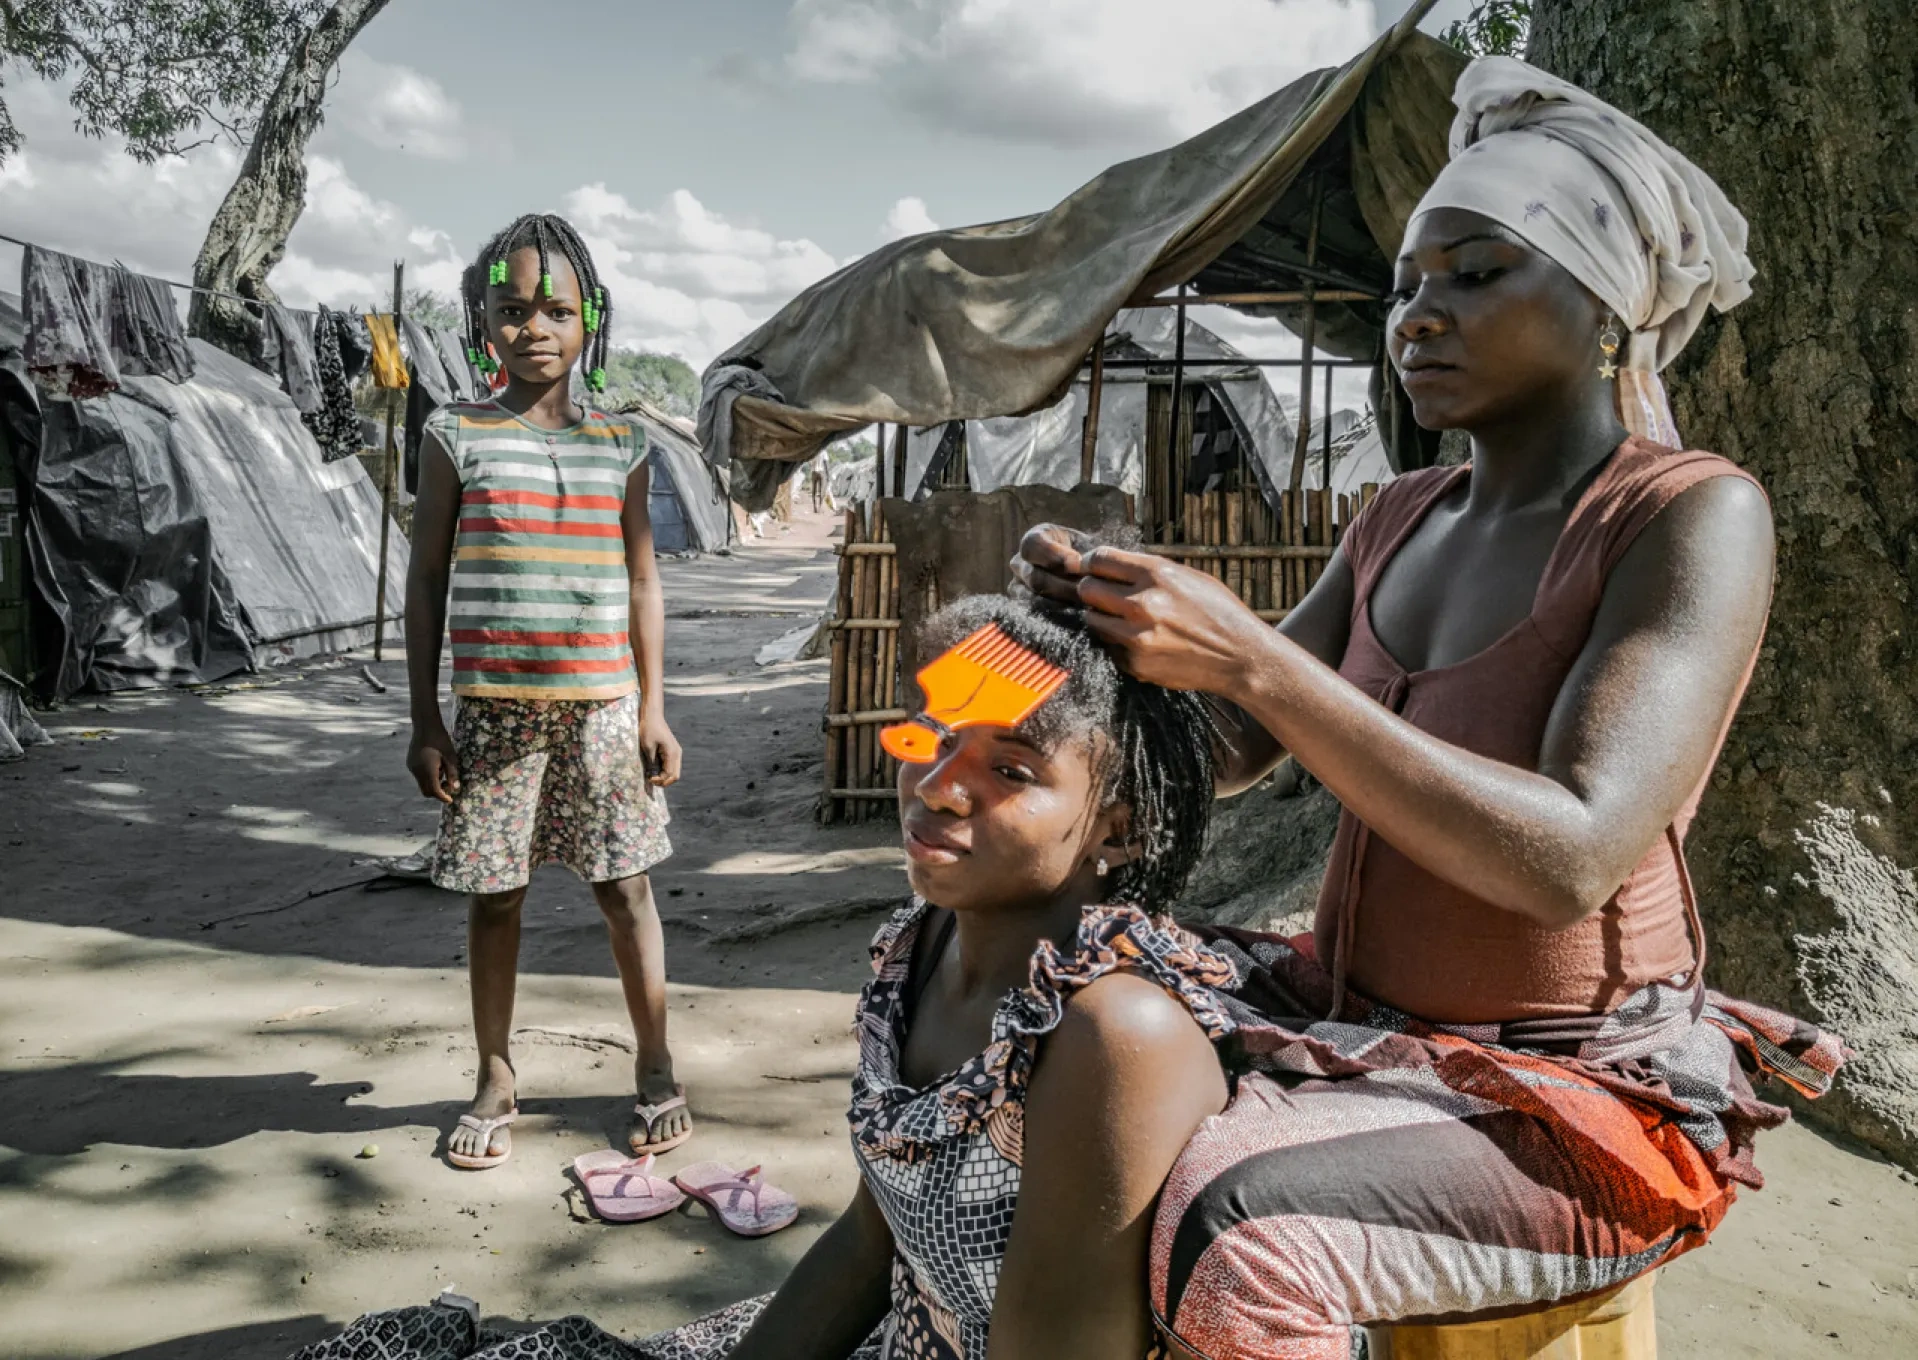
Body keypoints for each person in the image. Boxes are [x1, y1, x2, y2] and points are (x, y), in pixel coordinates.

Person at [1013, 56, 1845, 1359]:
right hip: (1351, 1017)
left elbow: (1568, 853)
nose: (1417, 316)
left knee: (1244, 1237)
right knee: (1043, 1020)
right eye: (1405, 285)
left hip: (1570, 1094)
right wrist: (1096, 645)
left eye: (1474, 274)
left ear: (1607, 311)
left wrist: (1254, 661)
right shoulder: (1398, 517)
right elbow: (1229, 744)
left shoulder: (1688, 512)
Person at [300, 590, 1243, 1360]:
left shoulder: (1115, 1037)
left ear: (1117, 828)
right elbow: (874, 1245)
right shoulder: (919, 947)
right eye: (936, 734)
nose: (940, 785)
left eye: (1013, 767)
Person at [404, 213, 689, 1171]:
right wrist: (425, 717)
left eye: (557, 309)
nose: (535, 327)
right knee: (495, 897)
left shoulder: (623, 441)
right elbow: (429, 579)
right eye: (512, 309)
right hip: (490, 716)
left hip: (604, 711)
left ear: (591, 317)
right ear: (482, 320)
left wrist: (653, 707)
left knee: (625, 891)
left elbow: (644, 580)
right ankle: (494, 1072)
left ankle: (654, 1064)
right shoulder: (455, 434)